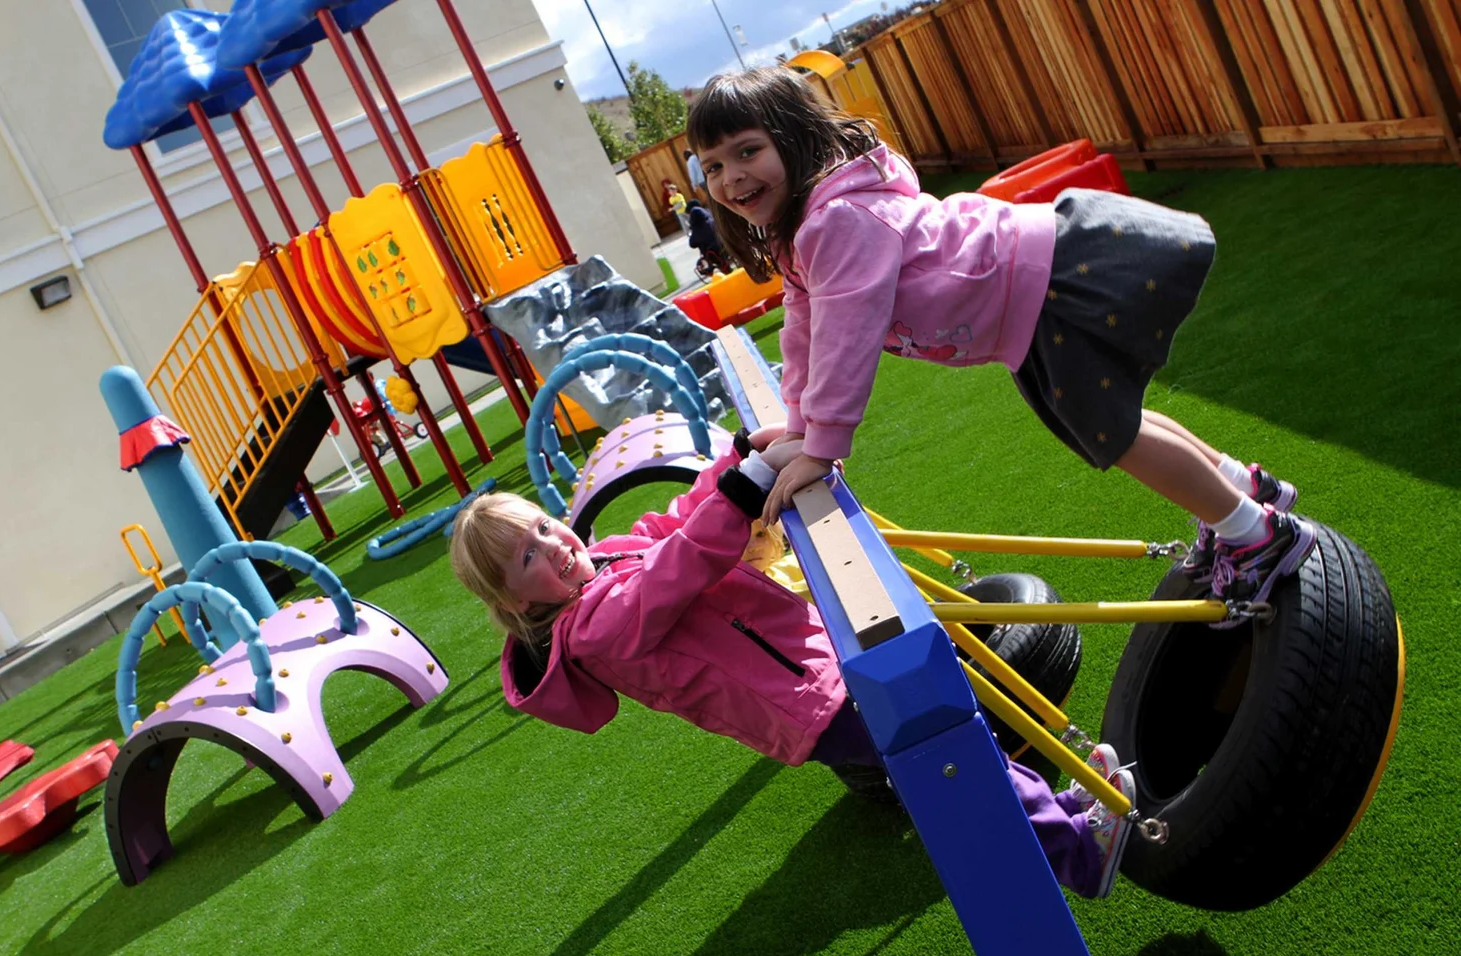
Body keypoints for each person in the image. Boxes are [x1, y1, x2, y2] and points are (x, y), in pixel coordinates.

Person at [686, 67, 1312, 611]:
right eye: (713, 166)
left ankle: (1256, 534)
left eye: (748, 151)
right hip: (1025, 303)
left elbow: (845, 337)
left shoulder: (838, 221)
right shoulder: (805, 232)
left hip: (1045, 286)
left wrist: (821, 447)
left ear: (795, 140)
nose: (731, 177)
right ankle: (1244, 488)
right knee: (1115, 422)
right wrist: (798, 427)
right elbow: (805, 332)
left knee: (1111, 432)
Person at [450, 429, 1138, 899]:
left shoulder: (605, 557)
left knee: (954, 738)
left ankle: (1060, 814)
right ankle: (1079, 854)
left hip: (815, 667)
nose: (554, 545)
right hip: (803, 703)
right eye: (529, 557)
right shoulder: (594, 631)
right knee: (949, 751)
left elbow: (676, 518)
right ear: (515, 601)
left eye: (543, 526)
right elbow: (680, 561)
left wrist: (741, 454)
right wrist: (748, 484)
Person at [686, 198, 732, 276]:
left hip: (714, 255)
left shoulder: (697, 229)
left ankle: (721, 272)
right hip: (727, 247)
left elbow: (692, 244)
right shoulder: (713, 220)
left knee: (702, 262)